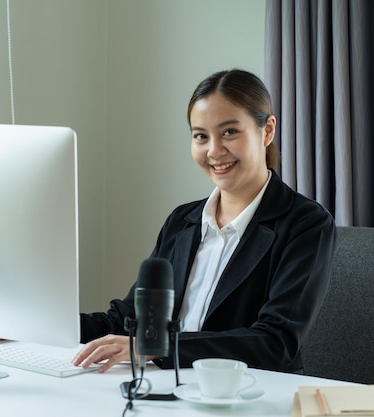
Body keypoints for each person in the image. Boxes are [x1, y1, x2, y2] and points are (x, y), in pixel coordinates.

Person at [70, 69, 337, 374]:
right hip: (169, 387)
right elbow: (128, 319)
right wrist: (29, 326)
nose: (214, 151)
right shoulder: (182, 221)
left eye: (229, 132)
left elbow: (275, 342)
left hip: (251, 394)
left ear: (267, 131)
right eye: (201, 136)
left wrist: (159, 349)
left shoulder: (306, 224)